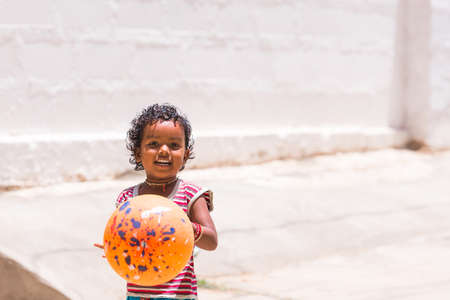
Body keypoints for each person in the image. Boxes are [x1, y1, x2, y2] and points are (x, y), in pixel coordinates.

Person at [98, 103, 218, 300]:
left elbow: (211, 240)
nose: (164, 151)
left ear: (185, 154)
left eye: (174, 145)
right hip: (138, 294)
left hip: (179, 296)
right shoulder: (128, 199)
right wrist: (115, 246)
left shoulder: (191, 194)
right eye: (153, 144)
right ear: (138, 152)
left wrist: (186, 228)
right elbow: (127, 240)